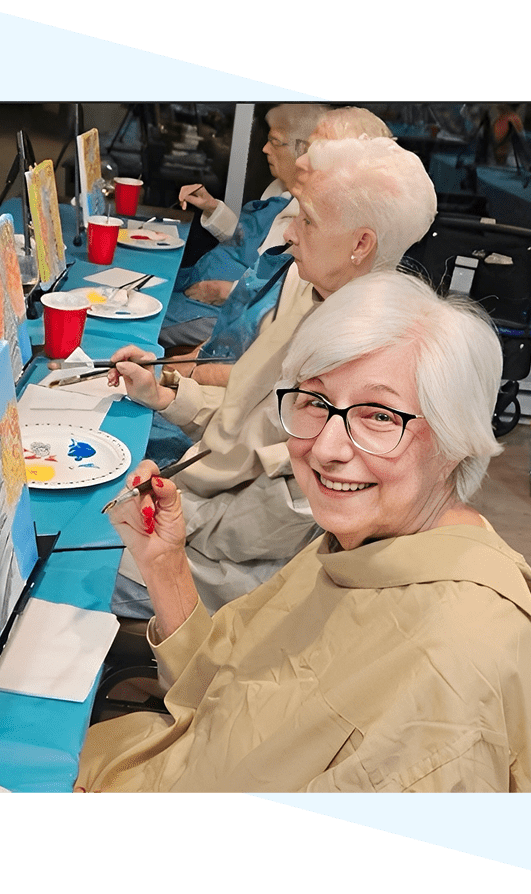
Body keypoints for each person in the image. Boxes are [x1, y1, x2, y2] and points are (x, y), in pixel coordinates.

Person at [75, 272, 531, 793]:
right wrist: (165, 564)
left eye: (379, 415)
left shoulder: (451, 669)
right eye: (314, 402)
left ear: (457, 438)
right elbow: (225, 687)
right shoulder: (363, 544)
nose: (328, 448)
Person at [106, 137, 438, 618]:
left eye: (306, 220)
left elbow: (265, 523)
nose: (289, 234)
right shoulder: (311, 293)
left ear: (360, 244)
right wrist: (166, 394)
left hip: (229, 574)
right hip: (196, 511)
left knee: (59, 567)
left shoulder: (366, 372)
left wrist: (163, 516)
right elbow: (247, 414)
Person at [172, 103, 330, 307]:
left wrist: (227, 291)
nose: (264, 149)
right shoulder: (278, 189)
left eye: (275, 142)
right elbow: (248, 243)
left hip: (224, 306)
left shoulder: (308, 214)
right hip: (202, 281)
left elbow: (278, 288)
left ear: (303, 150)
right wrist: (212, 207)